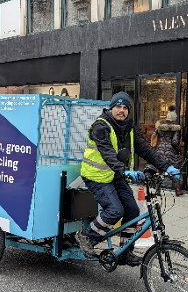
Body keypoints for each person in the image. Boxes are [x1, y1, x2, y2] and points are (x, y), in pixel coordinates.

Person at [76, 91, 180, 264]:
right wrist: (124, 171)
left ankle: (125, 250)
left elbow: (145, 150)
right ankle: (85, 236)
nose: (121, 110)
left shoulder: (129, 128)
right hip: (97, 176)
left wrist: (166, 166)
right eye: (118, 106)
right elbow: (108, 154)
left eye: (125, 108)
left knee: (132, 210)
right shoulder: (101, 126)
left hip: (116, 176)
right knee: (115, 210)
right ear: (111, 108)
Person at [155, 105, 185, 196]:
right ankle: (177, 190)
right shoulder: (175, 128)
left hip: (160, 150)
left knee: (159, 170)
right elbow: (175, 142)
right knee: (174, 170)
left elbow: (155, 134)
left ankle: (157, 190)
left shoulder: (160, 126)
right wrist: (179, 150)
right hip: (171, 152)